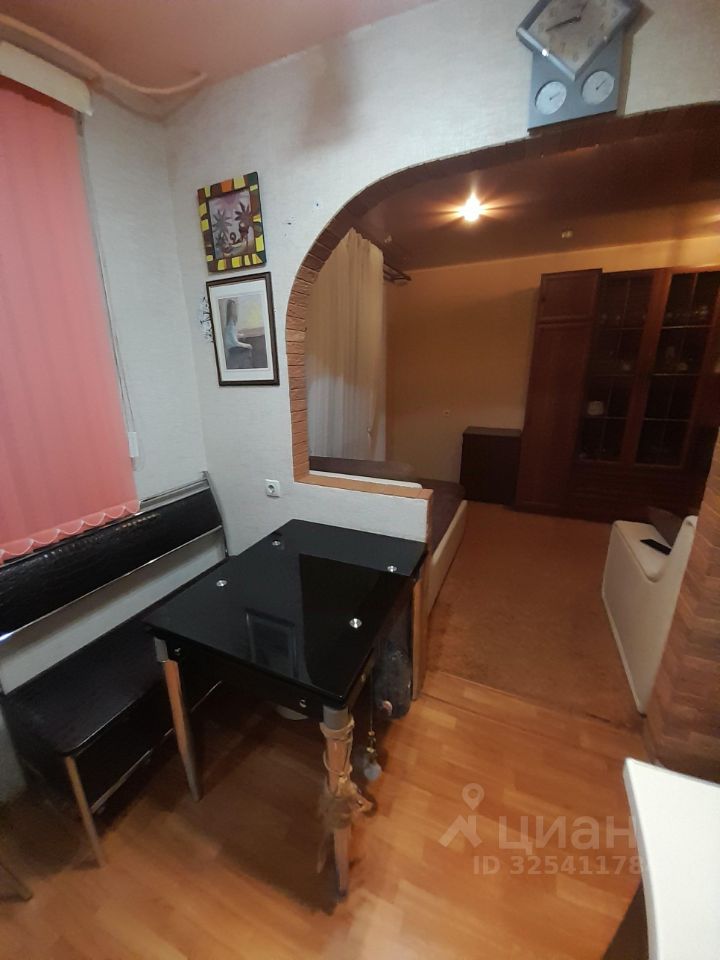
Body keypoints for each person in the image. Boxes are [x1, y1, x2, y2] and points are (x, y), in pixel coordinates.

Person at [222, 299, 253, 369]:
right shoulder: (231, 325)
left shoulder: (230, 325)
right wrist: (247, 345)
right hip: (234, 350)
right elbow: (235, 342)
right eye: (234, 309)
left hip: (232, 350)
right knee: (248, 349)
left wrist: (242, 335)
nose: (236, 312)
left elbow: (232, 336)